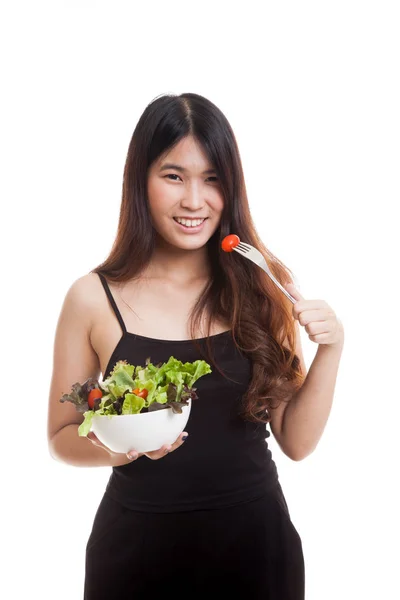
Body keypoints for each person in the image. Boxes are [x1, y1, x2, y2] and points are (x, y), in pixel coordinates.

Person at [47, 92, 344, 599]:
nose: (194, 200)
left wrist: (331, 349)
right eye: (173, 176)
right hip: (135, 553)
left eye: (213, 179)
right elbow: (61, 435)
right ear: (140, 180)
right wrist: (122, 450)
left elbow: (296, 442)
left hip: (256, 550)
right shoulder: (92, 298)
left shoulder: (259, 284)